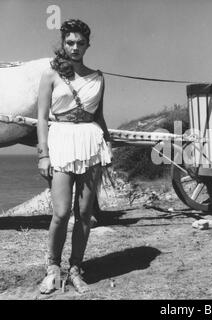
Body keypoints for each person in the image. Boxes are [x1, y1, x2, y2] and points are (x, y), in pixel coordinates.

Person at [37, 19, 112, 294]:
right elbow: (42, 118)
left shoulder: (98, 77)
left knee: (84, 214)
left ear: (88, 45)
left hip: (91, 144)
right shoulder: (51, 75)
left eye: (80, 43)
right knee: (60, 212)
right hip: (61, 142)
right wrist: (43, 155)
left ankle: (76, 270)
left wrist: (108, 146)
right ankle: (53, 270)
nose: (75, 47)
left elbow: (99, 117)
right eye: (70, 42)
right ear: (63, 43)